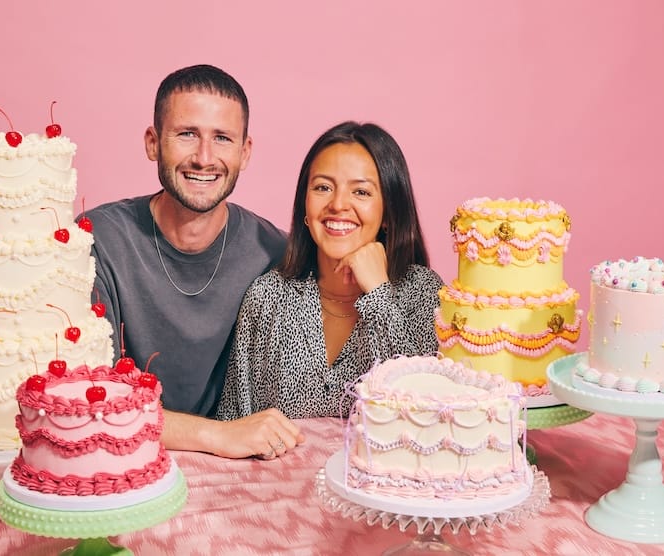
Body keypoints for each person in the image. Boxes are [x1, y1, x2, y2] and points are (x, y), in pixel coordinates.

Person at [87, 64, 304, 459]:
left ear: (245, 151)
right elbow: (81, 395)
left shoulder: (275, 252)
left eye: (222, 138)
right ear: (153, 143)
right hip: (115, 462)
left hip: (233, 479)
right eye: (187, 134)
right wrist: (216, 435)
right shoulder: (96, 240)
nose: (204, 158)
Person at [216, 121, 444, 422]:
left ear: (388, 213)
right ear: (305, 209)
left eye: (361, 192)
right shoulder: (268, 296)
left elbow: (426, 414)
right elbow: (234, 420)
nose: (338, 205)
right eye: (323, 187)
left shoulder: (422, 292)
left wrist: (378, 294)